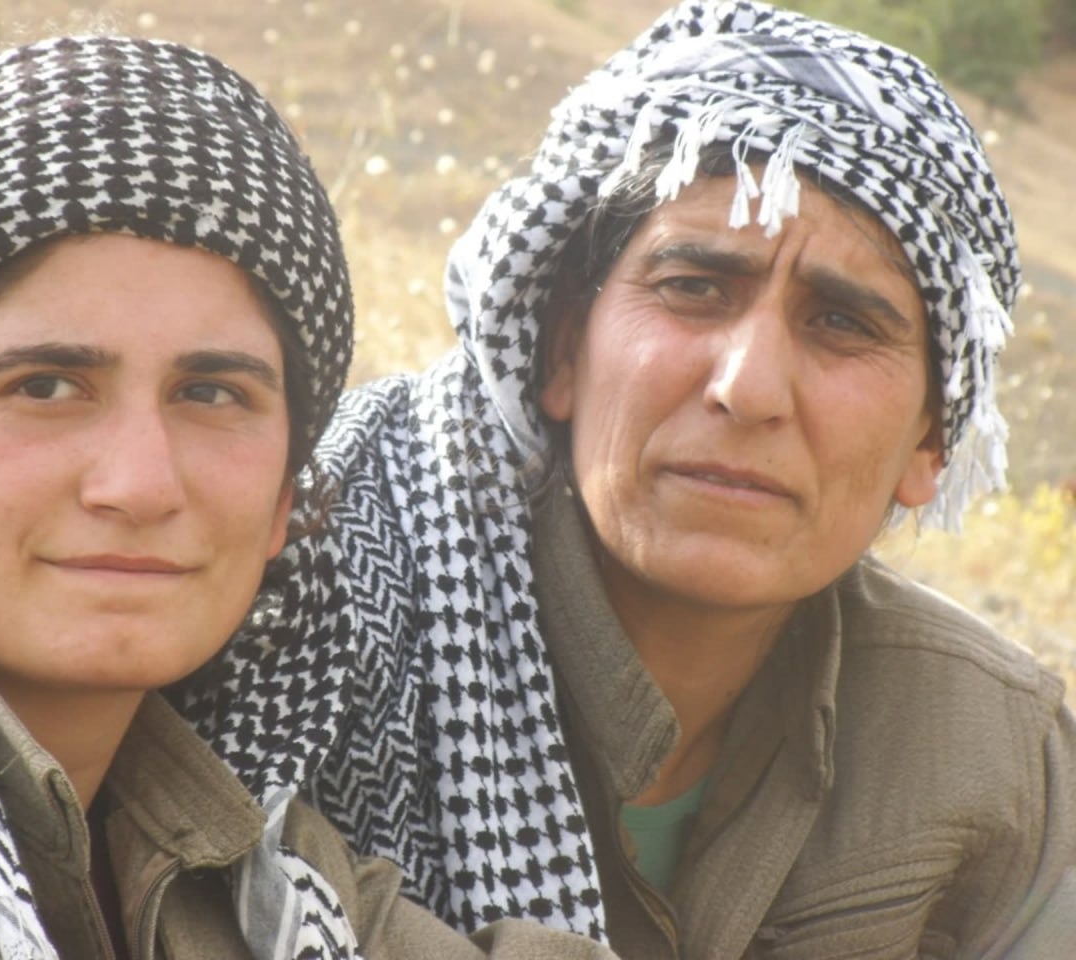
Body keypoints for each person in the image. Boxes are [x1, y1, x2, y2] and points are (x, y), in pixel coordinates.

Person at [176, 2, 1076, 957]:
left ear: (931, 441)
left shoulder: (992, 754)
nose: (747, 387)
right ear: (562, 348)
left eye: (843, 324)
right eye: (695, 289)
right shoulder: (284, 623)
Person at [0, 34, 619, 960]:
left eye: (211, 394)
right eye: (46, 387)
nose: (142, 484)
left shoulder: (273, 883)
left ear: (285, 492)